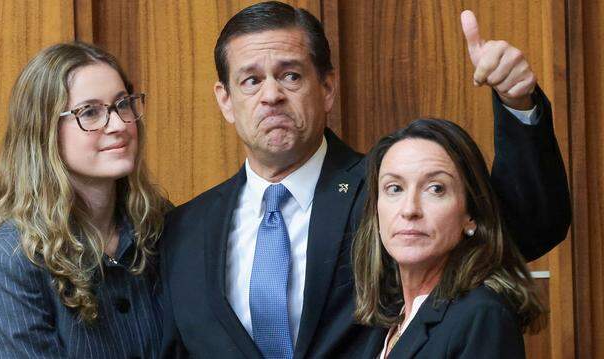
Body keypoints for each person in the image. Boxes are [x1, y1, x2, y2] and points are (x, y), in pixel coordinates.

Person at [159, 2, 570, 358]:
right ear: (225, 100)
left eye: (290, 76)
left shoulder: (386, 191)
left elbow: (525, 230)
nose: (271, 96)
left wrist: (518, 102)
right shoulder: (185, 230)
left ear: (328, 88)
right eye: (251, 80)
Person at [0, 42, 170, 358]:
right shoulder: (9, 262)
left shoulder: (161, 226)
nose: (118, 125)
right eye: (89, 112)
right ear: (43, 130)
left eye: (122, 105)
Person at [353, 119, 545, 358]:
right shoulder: (390, 318)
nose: (409, 209)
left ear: (471, 215)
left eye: (435, 188)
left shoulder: (483, 315)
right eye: (394, 188)